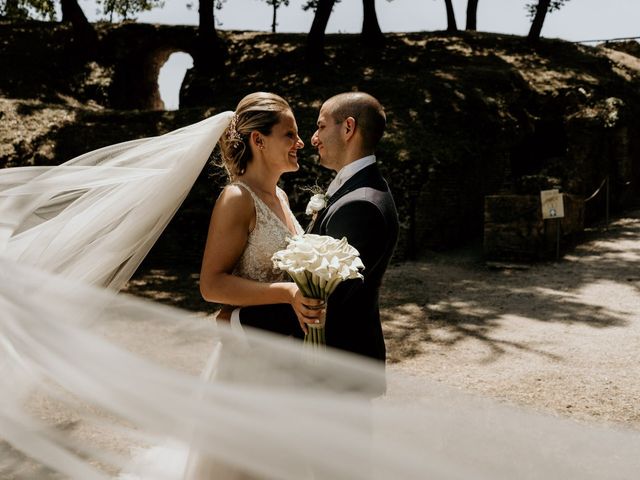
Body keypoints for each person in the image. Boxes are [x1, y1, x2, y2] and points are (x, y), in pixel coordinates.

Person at [238, 92, 399, 386]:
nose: (312, 138)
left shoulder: (360, 204)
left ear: (348, 128)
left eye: (321, 126)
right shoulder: (358, 190)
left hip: (335, 371)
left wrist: (239, 322)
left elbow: (321, 301)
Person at [198, 92, 324, 333]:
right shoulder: (238, 198)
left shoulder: (281, 196)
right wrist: (287, 293)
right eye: (289, 134)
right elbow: (211, 285)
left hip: (284, 338)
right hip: (250, 342)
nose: (300, 142)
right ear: (259, 140)